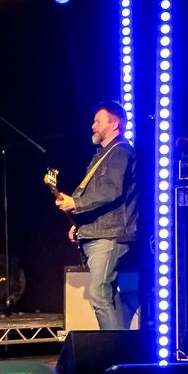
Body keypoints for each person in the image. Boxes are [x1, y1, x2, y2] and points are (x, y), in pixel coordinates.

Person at [53, 100, 139, 331]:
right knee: (107, 296)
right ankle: (120, 349)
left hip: (109, 236)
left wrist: (76, 203)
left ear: (114, 124)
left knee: (99, 295)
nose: (93, 126)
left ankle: (114, 355)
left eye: (98, 121)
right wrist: (79, 223)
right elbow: (97, 195)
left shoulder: (120, 152)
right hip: (98, 232)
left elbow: (111, 191)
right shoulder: (103, 155)